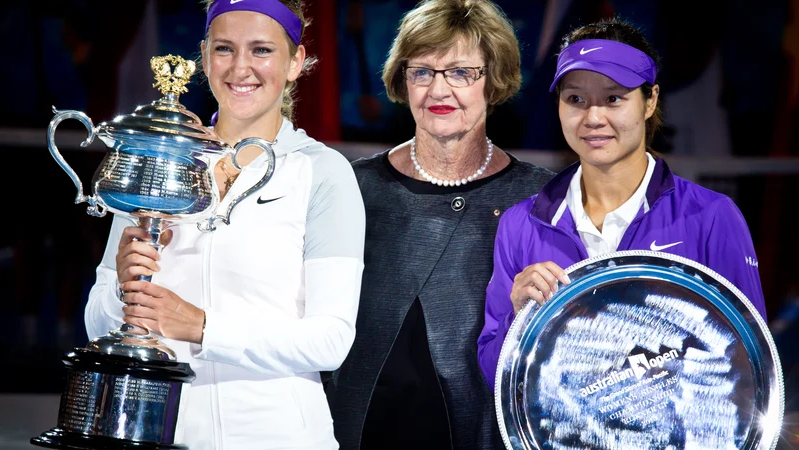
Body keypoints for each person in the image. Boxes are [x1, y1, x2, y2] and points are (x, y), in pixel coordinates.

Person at [84, 1, 366, 449]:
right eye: (224, 49)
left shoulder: (322, 173)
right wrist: (122, 288)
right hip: (158, 433)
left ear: (295, 62)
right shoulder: (160, 158)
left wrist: (202, 327)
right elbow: (98, 323)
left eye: (261, 50)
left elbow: (330, 340)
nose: (240, 68)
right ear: (204, 56)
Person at [477, 16, 768, 391]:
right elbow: (492, 374)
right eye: (575, 99)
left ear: (650, 101)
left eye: (614, 98)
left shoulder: (711, 216)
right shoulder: (522, 224)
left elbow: (752, 366)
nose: (593, 118)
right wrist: (519, 319)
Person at [327, 1, 555, 448]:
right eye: (422, 72)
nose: (438, 90)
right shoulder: (354, 187)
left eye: (460, 73)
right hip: (361, 433)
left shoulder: (541, 200)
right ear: (402, 81)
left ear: (493, 81)